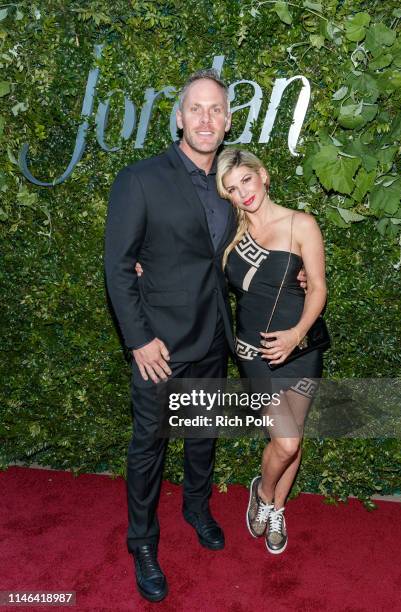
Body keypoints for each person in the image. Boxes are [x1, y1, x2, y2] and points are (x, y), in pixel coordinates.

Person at [104, 69, 237, 603]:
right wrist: (138, 340)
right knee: (149, 447)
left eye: (217, 110)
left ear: (227, 122)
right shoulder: (140, 178)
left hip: (213, 338)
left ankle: (197, 507)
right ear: (179, 117)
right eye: (197, 109)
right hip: (158, 346)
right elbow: (118, 267)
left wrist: (294, 272)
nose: (207, 119)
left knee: (202, 436)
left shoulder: (233, 182)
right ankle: (142, 542)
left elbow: (245, 249)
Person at [216, 148, 327, 554]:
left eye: (245, 180)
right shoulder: (230, 233)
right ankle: (263, 491)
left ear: (263, 175)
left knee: (291, 440)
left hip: (300, 349)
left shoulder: (301, 223)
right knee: (285, 442)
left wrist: (297, 334)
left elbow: (317, 287)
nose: (242, 193)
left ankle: (275, 507)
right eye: (231, 189)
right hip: (253, 351)